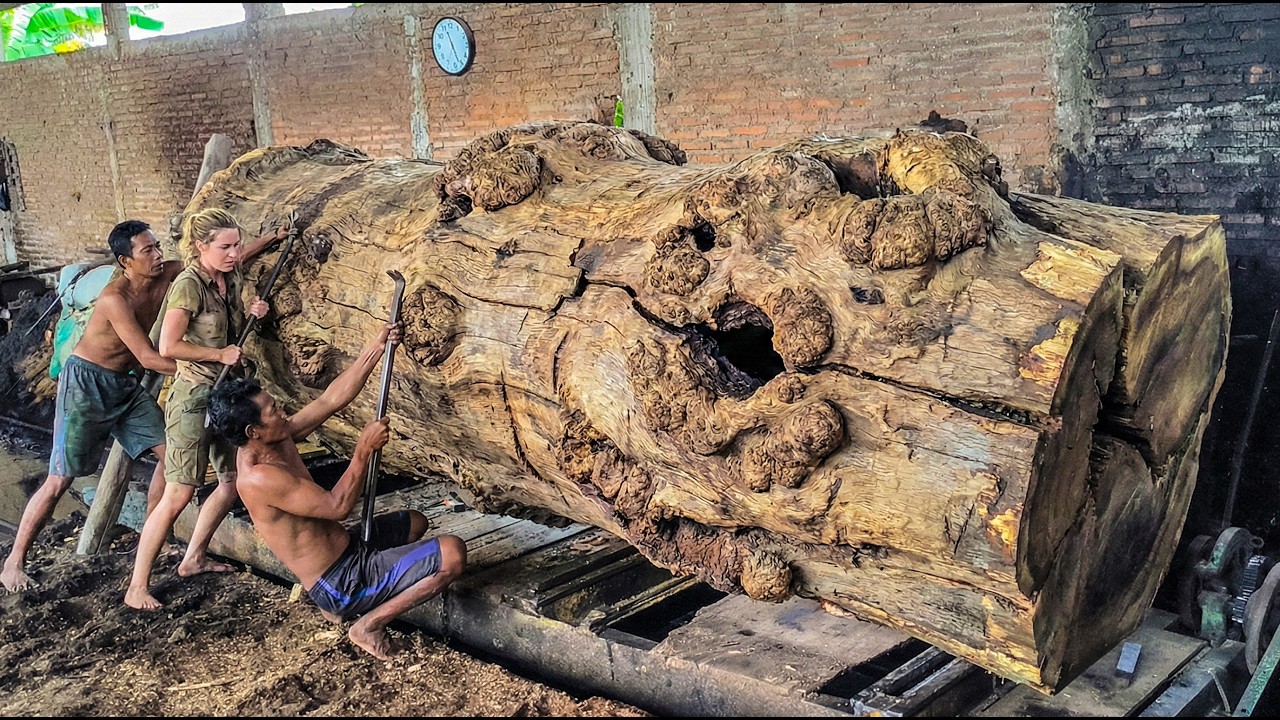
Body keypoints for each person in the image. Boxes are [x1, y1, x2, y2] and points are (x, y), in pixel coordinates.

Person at [206, 322, 466, 661]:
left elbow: (331, 399)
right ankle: (368, 625)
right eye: (273, 411)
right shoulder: (258, 478)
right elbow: (338, 505)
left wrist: (378, 347)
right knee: (452, 552)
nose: (283, 412)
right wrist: (363, 450)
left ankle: (360, 598)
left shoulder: (276, 436)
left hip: (351, 550)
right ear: (252, 431)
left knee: (414, 522)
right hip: (341, 580)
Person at [2, 220, 182, 593]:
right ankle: (14, 561)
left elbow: (214, 260)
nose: (158, 255)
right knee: (59, 480)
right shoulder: (114, 298)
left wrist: (270, 240)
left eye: (158, 246)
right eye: (147, 250)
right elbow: (148, 358)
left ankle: (153, 540)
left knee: (173, 455)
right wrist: (205, 368)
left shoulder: (168, 272)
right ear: (124, 261)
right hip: (86, 385)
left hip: (125, 386)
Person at [124, 208, 288, 610]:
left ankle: (193, 558)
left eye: (236, 245)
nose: (234, 253)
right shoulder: (187, 286)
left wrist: (274, 242)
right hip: (194, 397)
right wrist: (219, 353)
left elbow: (245, 253)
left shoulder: (227, 277)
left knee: (231, 480)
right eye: (225, 247)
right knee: (179, 492)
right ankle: (136, 586)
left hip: (226, 396)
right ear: (201, 247)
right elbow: (168, 347)